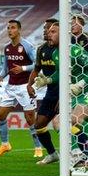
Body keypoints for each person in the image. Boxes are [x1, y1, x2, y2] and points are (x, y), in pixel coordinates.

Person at [31, 22, 88, 166]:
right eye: (49, 32)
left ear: (63, 34)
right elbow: (60, 73)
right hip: (75, 94)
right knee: (58, 122)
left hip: (85, 90)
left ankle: (79, 154)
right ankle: (77, 154)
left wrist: (82, 83)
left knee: (75, 120)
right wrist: (48, 80)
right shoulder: (56, 53)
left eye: (53, 31)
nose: (49, 34)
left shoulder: (75, 51)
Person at [0, 19, 43, 158]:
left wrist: (23, 68)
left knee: (30, 118)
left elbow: (37, 64)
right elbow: (6, 66)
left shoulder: (27, 46)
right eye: (8, 28)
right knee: (0, 115)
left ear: (19, 30)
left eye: (13, 28)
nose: (10, 30)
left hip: (25, 86)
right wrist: (1, 76)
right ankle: (5, 145)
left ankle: (38, 147)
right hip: (10, 87)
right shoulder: (7, 47)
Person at [27, 19, 60, 164]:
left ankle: (78, 154)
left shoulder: (64, 48)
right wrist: (29, 85)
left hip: (66, 91)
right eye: (45, 28)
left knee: (62, 124)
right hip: (51, 92)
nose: (45, 31)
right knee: (39, 124)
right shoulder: (41, 49)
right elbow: (36, 69)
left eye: (49, 29)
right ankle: (53, 154)